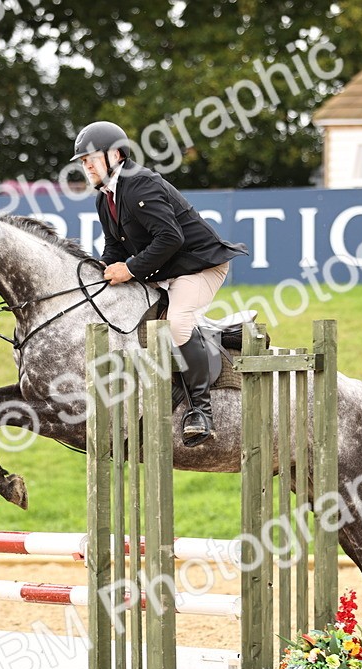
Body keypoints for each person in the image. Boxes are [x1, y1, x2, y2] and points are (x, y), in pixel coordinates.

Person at [72, 120, 248, 447]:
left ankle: (201, 411)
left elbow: (170, 237)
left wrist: (130, 269)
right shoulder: (104, 198)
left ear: (115, 155)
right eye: (83, 162)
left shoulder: (139, 184)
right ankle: (210, 340)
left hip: (199, 266)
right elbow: (115, 247)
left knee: (177, 323)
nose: (87, 166)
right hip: (163, 270)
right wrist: (104, 268)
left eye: (91, 158)